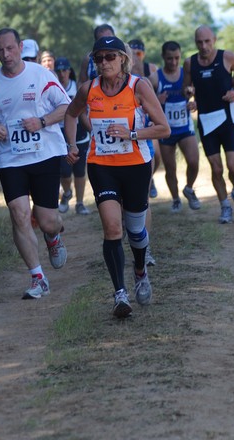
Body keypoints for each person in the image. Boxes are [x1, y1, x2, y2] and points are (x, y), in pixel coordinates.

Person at [65, 36, 170, 318]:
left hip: (136, 165)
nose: (104, 63)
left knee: (136, 230)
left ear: (123, 59)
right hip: (102, 165)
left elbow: (163, 129)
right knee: (112, 228)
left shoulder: (139, 86)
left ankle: (139, 269)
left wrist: (132, 134)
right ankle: (120, 294)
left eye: (110, 57)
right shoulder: (89, 89)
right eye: (98, 58)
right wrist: (72, 144)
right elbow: (71, 114)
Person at [0, 28, 71, 299]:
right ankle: (38, 277)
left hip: (44, 154)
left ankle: (53, 236)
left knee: (47, 219)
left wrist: (41, 121)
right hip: (11, 157)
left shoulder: (41, 75)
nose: (6, 55)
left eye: (10, 48)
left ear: (20, 47)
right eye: (0, 50)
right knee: (19, 214)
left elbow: (66, 107)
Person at [183, 25, 234, 224]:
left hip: (227, 117)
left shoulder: (227, 57)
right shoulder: (190, 63)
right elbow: (186, 89)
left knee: (233, 166)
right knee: (216, 168)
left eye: (207, 41)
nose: (204, 46)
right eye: (199, 42)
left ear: (214, 39)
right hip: (206, 120)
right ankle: (225, 206)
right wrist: (189, 97)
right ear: (195, 42)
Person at [149, 41, 201, 212]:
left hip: (185, 127)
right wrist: (157, 99)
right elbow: (142, 100)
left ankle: (189, 188)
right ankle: (176, 199)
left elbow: (198, 93)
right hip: (166, 131)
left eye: (177, 58)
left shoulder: (186, 74)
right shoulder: (156, 78)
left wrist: (194, 103)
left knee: (194, 161)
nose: (173, 62)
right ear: (163, 57)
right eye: (169, 58)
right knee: (170, 168)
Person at [54, 57, 90, 215]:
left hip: (81, 134)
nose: (62, 74)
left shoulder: (77, 87)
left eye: (64, 70)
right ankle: (67, 193)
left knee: (80, 171)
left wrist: (91, 128)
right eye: (59, 71)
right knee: (65, 172)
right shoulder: (52, 88)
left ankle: (80, 203)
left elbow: (84, 109)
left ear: (70, 71)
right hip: (60, 136)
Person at [129, 38, 161, 199]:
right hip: (131, 121)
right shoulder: (122, 72)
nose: (136, 57)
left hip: (148, 119)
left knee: (156, 154)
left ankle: (150, 177)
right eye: (132, 53)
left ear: (143, 54)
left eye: (139, 53)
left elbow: (156, 92)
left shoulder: (151, 69)